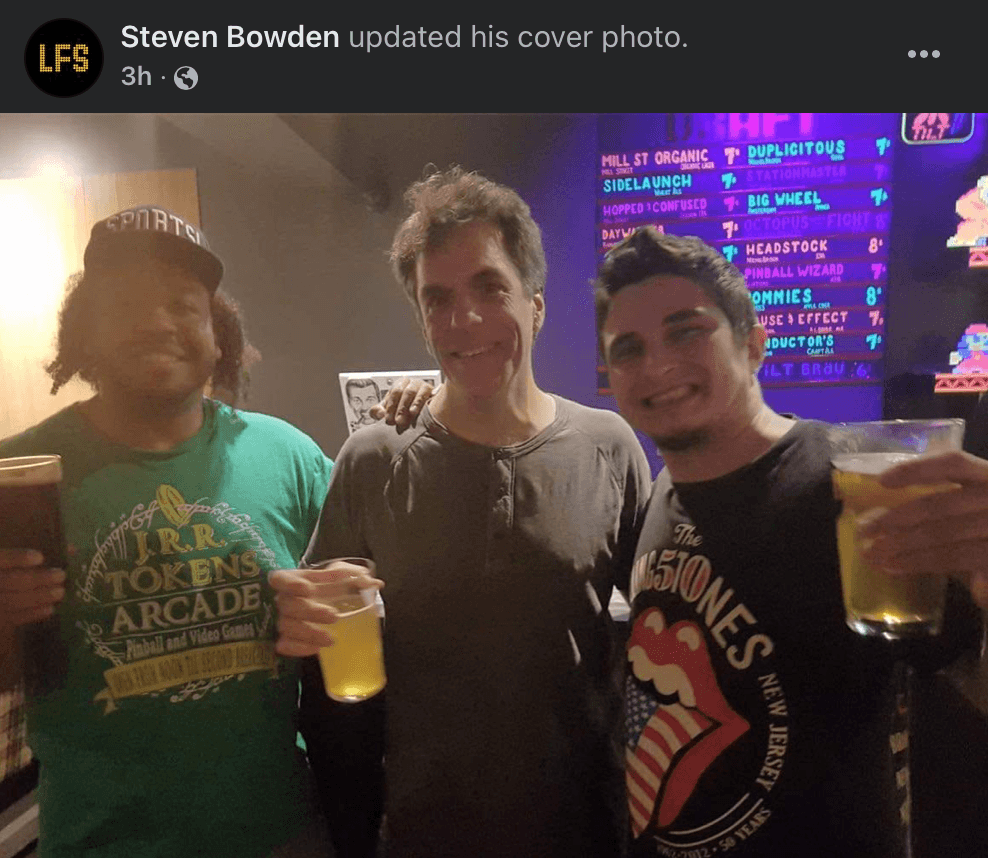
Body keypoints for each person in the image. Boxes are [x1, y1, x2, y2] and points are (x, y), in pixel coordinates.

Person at [272, 167, 652, 858]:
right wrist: (294, 615)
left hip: (584, 833)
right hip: (421, 833)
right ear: (421, 321)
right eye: (437, 299)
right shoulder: (373, 458)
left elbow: (669, 624)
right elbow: (320, 643)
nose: (464, 319)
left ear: (535, 304)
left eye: (490, 287)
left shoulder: (611, 448)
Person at [594, 226, 988, 858]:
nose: (657, 365)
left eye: (686, 331)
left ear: (754, 344)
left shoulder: (854, 483)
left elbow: (968, 675)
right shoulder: (663, 491)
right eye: (628, 348)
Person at [0, 206, 336, 858]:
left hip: (279, 838)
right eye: (126, 303)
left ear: (219, 334)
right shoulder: (15, 479)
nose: (157, 324)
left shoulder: (290, 458)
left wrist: (358, 599)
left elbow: (372, 605)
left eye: (183, 305)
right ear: (86, 331)